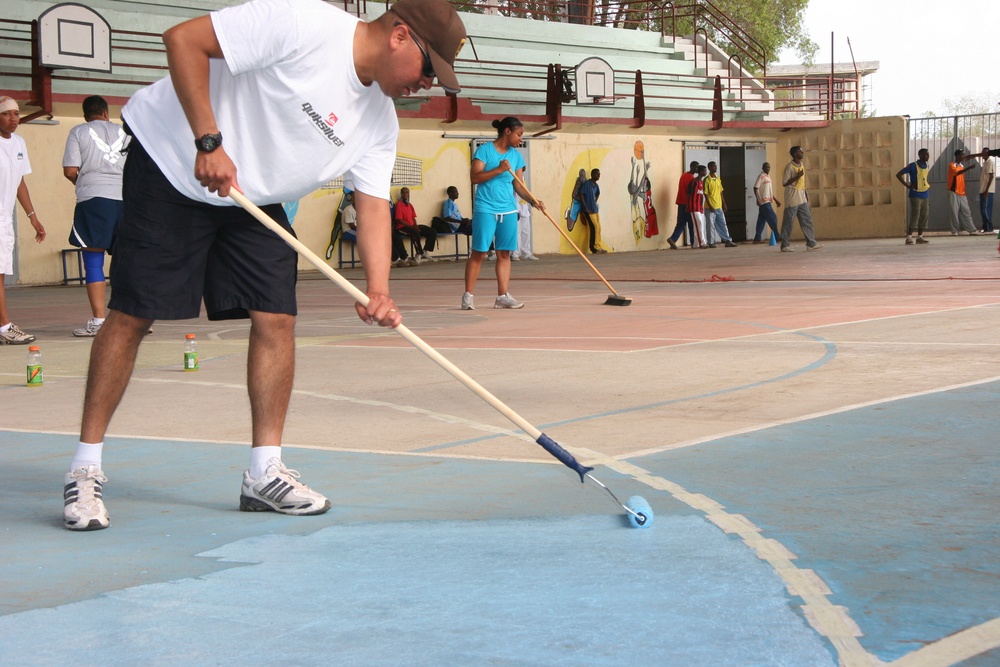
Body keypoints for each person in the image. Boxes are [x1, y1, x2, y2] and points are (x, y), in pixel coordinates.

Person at [61, 0, 467, 531]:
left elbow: (371, 205)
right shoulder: (306, 25)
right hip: (174, 164)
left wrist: (379, 288)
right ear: (399, 36)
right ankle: (84, 470)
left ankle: (263, 473)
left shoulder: (380, 123)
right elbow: (183, 39)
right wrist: (209, 141)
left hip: (252, 194)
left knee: (277, 317)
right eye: (428, 69)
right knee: (135, 313)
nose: (428, 85)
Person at [62, 95, 127, 337]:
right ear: (106, 113)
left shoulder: (79, 131)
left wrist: (85, 184)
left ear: (85, 115)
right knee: (125, 260)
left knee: (93, 262)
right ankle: (131, 319)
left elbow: (70, 170)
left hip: (94, 200)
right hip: (125, 200)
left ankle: (99, 321)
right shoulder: (124, 132)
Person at [461, 117, 543, 311]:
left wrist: (533, 200)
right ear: (507, 131)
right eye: (519, 134)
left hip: (508, 208)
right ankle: (468, 296)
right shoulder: (484, 151)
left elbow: (518, 185)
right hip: (486, 208)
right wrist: (498, 169)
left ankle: (502, 296)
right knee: (479, 253)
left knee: (504, 253)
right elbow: (474, 177)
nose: (520, 139)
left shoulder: (516, 156)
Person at [0, 96, 46, 345]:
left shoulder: (19, 143)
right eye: (7, 114)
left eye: (16, 113)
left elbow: (20, 183)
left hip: (5, 220)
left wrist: (33, 217)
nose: (13, 118)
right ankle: (4, 326)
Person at [779, 145, 820, 252]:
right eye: (800, 152)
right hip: (792, 197)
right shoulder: (789, 167)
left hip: (801, 196)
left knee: (807, 220)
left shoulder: (801, 165)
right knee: (789, 222)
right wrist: (797, 176)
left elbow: (802, 182)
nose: (802, 153)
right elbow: (784, 183)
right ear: (795, 154)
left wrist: (805, 193)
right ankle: (785, 245)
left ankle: (811, 243)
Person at [895, 148, 931, 245]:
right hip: (915, 194)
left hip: (925, 193)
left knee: (924, 216)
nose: (927, 156)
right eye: (925, 154)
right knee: (915, 215)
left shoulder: (926, 165)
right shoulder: (913, 165)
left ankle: (920, 237)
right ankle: (909, 237)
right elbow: (898, 174)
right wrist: (908, 185)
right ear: (920, 155)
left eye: (928, 154)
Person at [393, 186, 437, 262]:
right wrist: (412, 227)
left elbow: (413, 218)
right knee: (415, 233)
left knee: (432, 231)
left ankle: (425, 250)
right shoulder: (399, 205)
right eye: (403, 192)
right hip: (402, 227)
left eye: (407, 192)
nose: (405, 194)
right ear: (401, 194)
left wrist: (415, 226)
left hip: (412, 226)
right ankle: (419, 253)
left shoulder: (410, 205)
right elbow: (399, 220)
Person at [703, 161, 738, 247]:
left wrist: (724, 204)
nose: (715, 168)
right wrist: (710, 205)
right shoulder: (707, 180)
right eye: (713, 167)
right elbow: (706, 194)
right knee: (710, 225)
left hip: (719, 206)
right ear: (709, 168)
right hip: (710, 207)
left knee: (723, 224)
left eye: (716, 166)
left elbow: (720, 192)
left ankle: (727, 240)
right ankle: (711, 242)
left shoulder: (718, 179)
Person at [947, 149, 978, 236]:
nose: (963, 156)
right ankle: (955, 230)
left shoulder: (961, 166)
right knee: (954, 211)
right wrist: (970, 167)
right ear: (957, 156)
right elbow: (957, 173)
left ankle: (971, 229)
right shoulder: (952, 165)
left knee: (966, 211)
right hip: (953, 191)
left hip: (961, 191)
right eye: (962, 155)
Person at [667, 161, 698, 249]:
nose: (696, 169)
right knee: (691, 224)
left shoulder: (683, 175)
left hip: (680, 202)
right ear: (691, 167)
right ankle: (693, 242)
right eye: (695, 167)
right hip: (686, 203)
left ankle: (673, 239)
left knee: (681, 223)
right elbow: (689, 192)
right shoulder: (691, 178)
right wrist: (689, 204)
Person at [578, 168, 607, 254]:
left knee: (598, 228)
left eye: (599, 174)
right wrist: (585, 207)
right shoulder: (587, 184)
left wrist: (594, 201)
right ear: (592, 174)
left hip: (595, 210)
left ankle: (598, 246)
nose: (599, 176)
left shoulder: (596, 185)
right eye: (597, 174)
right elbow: (581, 194)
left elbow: (598, 193)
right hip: (588, 210)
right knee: (594, 227)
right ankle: (594, 248)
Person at [752, 162, 781, 244]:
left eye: (769, 167)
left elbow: (769, 191)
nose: (768, 169)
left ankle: (757, 238)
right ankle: (777, 235)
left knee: (761, 220)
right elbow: (755, 187)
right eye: (766, 167)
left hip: (768, 201)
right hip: (764, 202)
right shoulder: (761, 176)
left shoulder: (768, 177)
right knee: (773, 218)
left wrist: (775, 200)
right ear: (762, 168)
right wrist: (758, 199)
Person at [687, 164, 709, 249]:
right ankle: (702, 243)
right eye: (704, 171)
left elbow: (701, 196)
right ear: (700, 172)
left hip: (700, 207)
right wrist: (688, 205)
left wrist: (702, 207)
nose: (705, 172)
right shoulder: (694, 182)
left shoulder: (701, 182)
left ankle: (696, 243)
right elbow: (689, 194)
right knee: (698, 223)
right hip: (693, 206)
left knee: (700, 224)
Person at [511, 194, 538, 260]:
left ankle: (526, 253)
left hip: (524, 207)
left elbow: (525, 194)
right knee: (517, 233)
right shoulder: (513, 183)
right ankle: (515, 253)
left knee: (526, 232)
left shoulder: (523, 183)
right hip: (515, 207)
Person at [978, 147, 995, 233]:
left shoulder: (990, 162)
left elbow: (991, 176)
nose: (982, 154)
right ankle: (986, 227)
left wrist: (986, 190)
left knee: (986, 210)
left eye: (984, 153)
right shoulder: (985, 163)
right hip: (983, 190)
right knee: (983, 210)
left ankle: (988, 228)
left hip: (987, 191)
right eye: (982, 152)